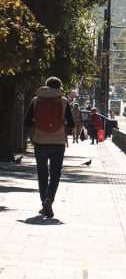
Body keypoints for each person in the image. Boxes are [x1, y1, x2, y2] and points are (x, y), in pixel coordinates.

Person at [23, 77, 75, 217]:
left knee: (42, 174)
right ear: (59, 88)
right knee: (55, 174)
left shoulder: (35, 100)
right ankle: (49, 200)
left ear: (46, 87)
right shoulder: (64, 102)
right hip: (58, 143)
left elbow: (27, 122)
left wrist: (36, 123)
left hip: (40, 142)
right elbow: (71, 124)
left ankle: (43, 202)